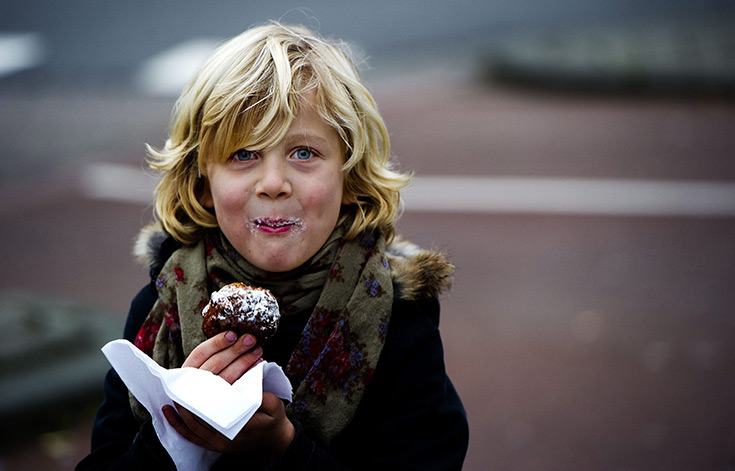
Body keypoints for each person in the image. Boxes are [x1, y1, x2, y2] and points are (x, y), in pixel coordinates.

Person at [77, 21, 468, 470]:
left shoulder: (398, 321)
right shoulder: (160, 308)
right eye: (244, 155)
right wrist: (170, 433)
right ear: (203, 183)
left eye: (304, 153)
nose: (274, 184)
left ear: (350, 176)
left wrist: (282, 449)